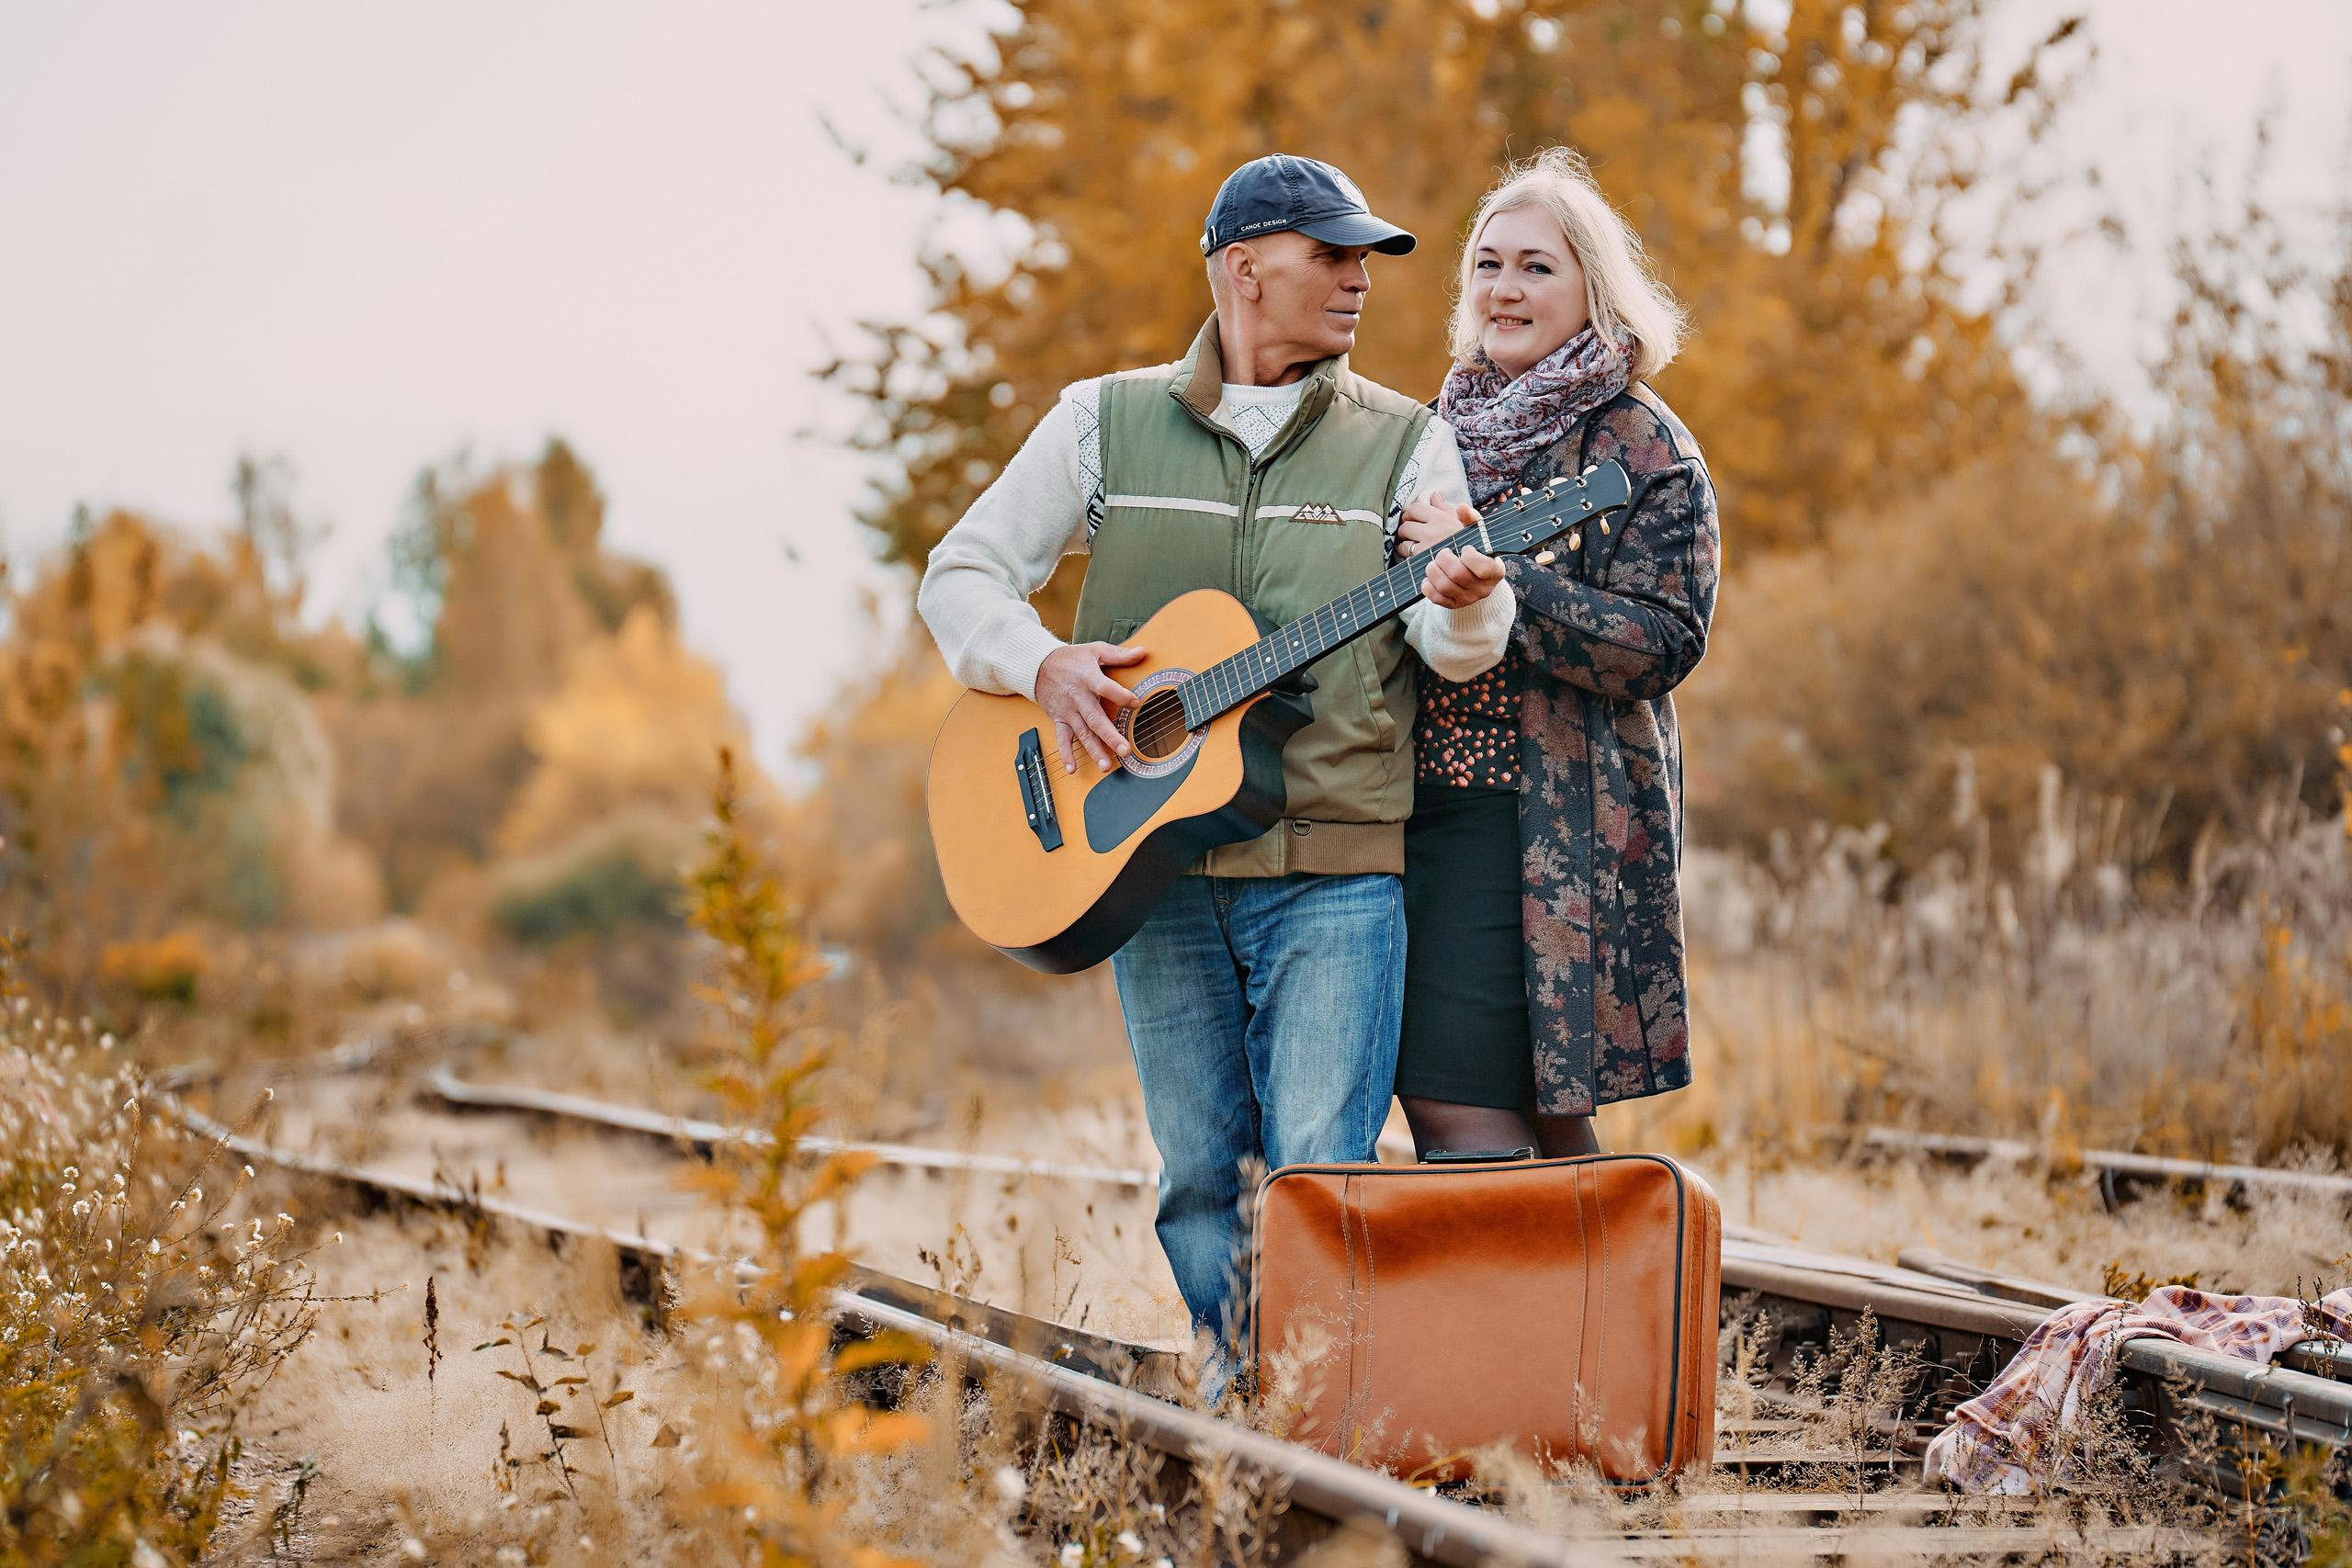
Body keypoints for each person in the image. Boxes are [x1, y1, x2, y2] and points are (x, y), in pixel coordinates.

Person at [917, 155, 1513, 1374]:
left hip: (1337, 866)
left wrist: (1468, 595)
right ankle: (1240, 1395)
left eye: (1368, 259)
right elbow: (960, 575)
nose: (1360, 279)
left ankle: (1314, 1414)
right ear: (1243, 268)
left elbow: (1457, 653)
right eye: (1331, 253)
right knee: (1201, 1171)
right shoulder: (1103, 420)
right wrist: (1042, 668)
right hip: (1152, 870)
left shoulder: (1410, 441)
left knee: (1319, 1172)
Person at [1391, 148, 1719, 1161]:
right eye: (1487, 265)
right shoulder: (1428, 432)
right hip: (1415, 807)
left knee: (1471, 1104)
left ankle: (1524, 1308)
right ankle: (1608, 1298)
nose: (1504, 288)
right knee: (1513, 1098)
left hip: (1557, 818)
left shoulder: (1646, 448)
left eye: (1536, 266)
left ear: (1592, 286)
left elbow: (1663, 641)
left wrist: (1508, 586)